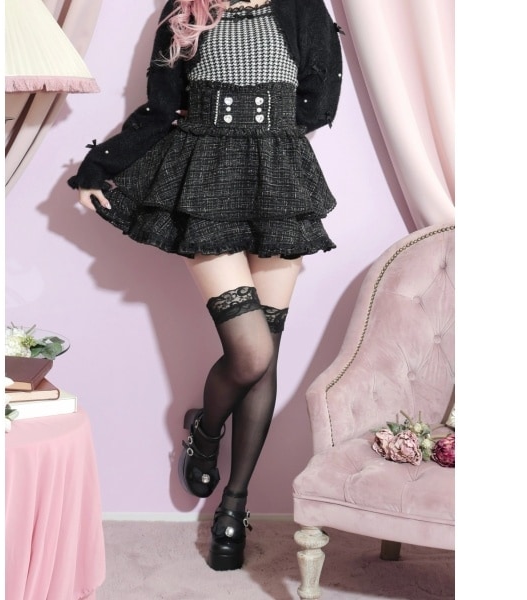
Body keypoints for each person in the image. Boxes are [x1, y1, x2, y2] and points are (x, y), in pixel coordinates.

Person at [68, 0, 343, 571]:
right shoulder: (185, 10)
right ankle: (205, 429)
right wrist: (98, 167)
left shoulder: (302, 7)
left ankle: (233, 506)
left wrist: (269, 139)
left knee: (268, 357)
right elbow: (161, 107)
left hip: (279, 180)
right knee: (251, 353)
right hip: (206, 178)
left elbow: (321, 100)